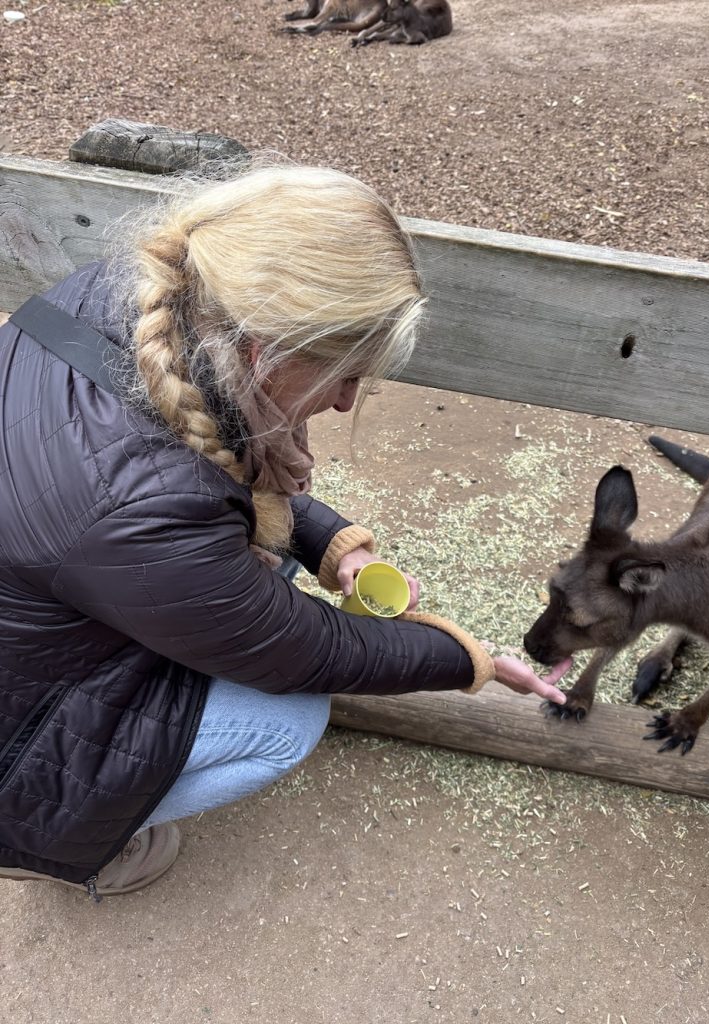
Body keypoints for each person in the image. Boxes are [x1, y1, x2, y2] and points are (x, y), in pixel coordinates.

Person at [0, 161, 569, 900]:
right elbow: (304, 651)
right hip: (19, 731)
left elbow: (198, 464)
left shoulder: (127, 297)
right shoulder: (143, 515)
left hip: (50, 609)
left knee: (270, 571)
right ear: (266, 351)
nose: (345, 401)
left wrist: (335, 547)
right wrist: (466, 658)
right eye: (346, 373)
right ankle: (56, 836)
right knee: (287, 721)